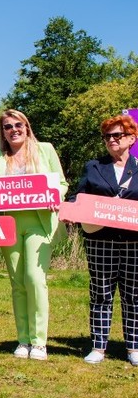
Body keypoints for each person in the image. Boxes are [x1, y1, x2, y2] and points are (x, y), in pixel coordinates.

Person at [0, 109, 67, 361]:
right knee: (17, 282)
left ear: (26, 127)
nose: (13, 130)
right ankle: (23, 339)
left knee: (35, 278)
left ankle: (39, 342)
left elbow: (62, 183)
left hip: (40, 222)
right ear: (2, 132)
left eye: (18, 125)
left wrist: (56, 197)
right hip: (9, 224)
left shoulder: (45, 149)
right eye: (7, 126)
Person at [68, 114, 138, 366]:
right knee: (101, 293)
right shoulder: (94, 166)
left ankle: (134, 347)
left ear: (131, 138)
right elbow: (78, 196)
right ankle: (98, 347)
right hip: (100, 239)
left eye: (116, 135)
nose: (111, 140)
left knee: (134, 295)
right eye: (107, 136)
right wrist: (70, 210)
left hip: (134, 242)